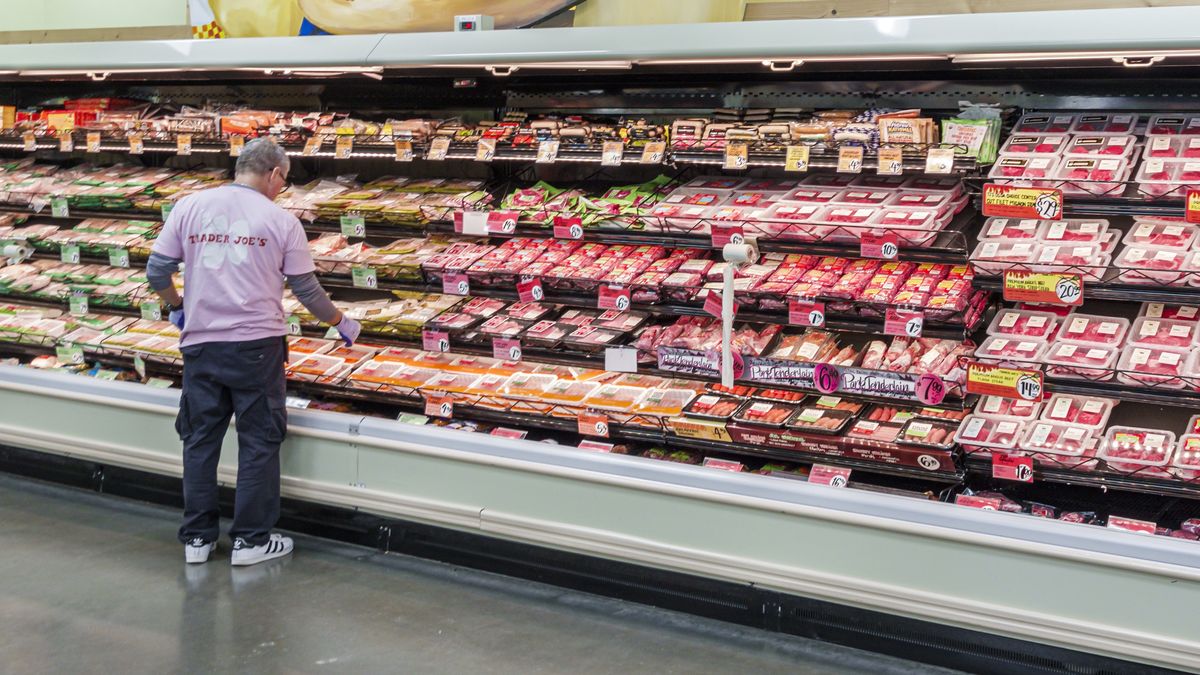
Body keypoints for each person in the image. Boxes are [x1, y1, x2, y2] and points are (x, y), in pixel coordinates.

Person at [147, 138, 361, 566]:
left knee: (200, 440)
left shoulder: (190, 206)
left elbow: (157, 270)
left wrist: (178, 308)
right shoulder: (281, 220)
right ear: (275, 174)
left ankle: (197, 540)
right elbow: (306, 290)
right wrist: (341, 322)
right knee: (259, 441)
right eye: (285, 179)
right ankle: (250, 541)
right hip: (257, 348)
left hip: (202, 344)